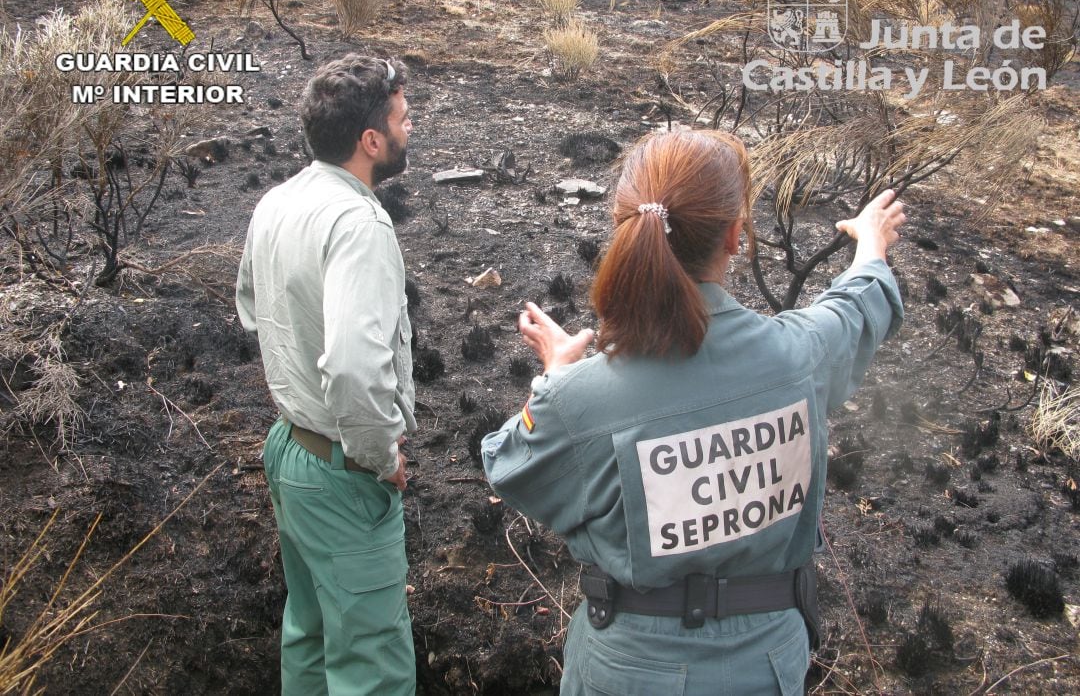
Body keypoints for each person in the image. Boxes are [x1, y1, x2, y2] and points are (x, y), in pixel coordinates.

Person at [481, 129, 905, 696]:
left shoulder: (579, 400)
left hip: (627, 676)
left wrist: (557, 375)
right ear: (735, 236)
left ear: (624, 226)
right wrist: (870, 247)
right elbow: (855, 309)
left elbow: (510, 466)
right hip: (771, 669)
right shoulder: (800, 355)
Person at [236, 54, 416, 696]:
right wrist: (377, 457)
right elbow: (352, 367)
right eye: (402, 118)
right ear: (371, 141)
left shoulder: (277, 201)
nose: (410, 128)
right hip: (343, 470)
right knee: (370, 664)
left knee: (309, 637)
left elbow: (254, 309)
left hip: (290, 452)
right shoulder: (359, 225)